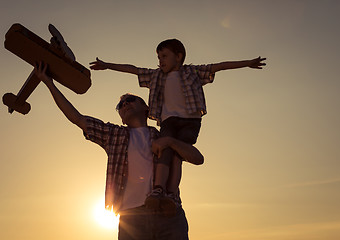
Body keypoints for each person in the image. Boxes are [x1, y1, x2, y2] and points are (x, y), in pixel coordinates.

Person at [89, 39, 266, 212]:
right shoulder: (156, 76)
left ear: (179, 56)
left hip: (190, 121)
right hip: (168, 121)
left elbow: (219, 66)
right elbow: (133, 69)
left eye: (164, 56)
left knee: (177, 156)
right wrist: (107, 65)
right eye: (158, 57)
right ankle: (159, 189)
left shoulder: (193, 72)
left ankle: (171, 193)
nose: (160, 61)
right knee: (165, 153)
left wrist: (248, 63)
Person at [34, 61, 204, 240]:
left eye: (130, 100)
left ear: (146, 108)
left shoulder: (163, 136)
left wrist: (170, 141)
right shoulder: (114, 135)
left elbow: (198, 158)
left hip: (169, 215)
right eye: (120, 105)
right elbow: (77, 118)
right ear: (121, 118)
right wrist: (48, 83)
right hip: (132, 219)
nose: (125, 105)